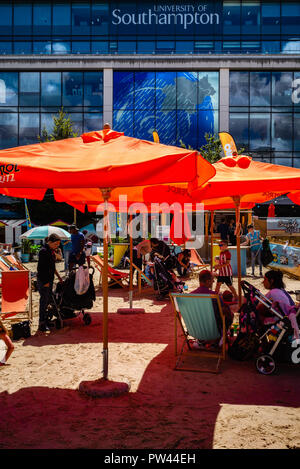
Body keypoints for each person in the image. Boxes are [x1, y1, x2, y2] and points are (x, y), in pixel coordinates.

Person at [37, 233, 63, 332]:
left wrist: (59, 277)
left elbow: (52, 267)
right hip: (44, 281)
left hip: (49, 280)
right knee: (44, 302)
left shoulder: (51, 251)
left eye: (58, 244)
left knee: (49, 301)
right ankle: (42, 323)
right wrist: (46, 282)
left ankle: (46, 320)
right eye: (56, 244)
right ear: (50, 242)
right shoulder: (43, 251)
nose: (57, 246)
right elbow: (41, 269)